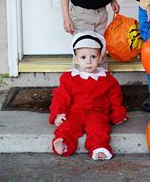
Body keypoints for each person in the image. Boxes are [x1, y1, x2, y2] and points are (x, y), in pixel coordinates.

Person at [49, 31, 127, 160]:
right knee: (67, 127)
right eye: (83, 57)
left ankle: (98, 147)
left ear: (100, 58)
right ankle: (63, 143)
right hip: (75, 111)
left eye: (93, 57)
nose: (89, 61)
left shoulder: (107, 79)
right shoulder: (69, 78)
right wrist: (58, 113)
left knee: (99, 129)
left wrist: (117, 115)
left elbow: (115, 98)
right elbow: (60, 97)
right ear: (76, 59)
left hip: (98, 112)